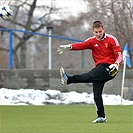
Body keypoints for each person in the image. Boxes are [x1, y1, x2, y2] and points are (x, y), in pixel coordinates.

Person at [57, 20, 122, 123]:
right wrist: (70, 47)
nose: (98, 34)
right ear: (93, 31)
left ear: (103, 29)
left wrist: (116, 64)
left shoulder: (112, 39)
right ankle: (101, 116)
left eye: (100, 31)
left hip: (109, 68)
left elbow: (119, 54)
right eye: (96, 32)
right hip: (99, 68)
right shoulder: (92, 41)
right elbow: (81, 45)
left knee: (89, 76)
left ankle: (68, 79)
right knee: (96, 94)